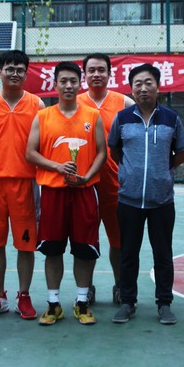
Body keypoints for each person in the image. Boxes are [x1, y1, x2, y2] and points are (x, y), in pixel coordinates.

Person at [26, 61, 107, 326]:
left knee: (84, 249)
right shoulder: (43, 116)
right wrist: (57, 167)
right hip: (52, 192)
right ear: (55, 84)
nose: (69, 85)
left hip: (84, 191)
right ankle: (53, 304)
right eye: (64, 81)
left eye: (73, 81)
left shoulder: (92, 116)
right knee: (52, 250)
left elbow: (102, 153)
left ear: (80, 83)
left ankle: (82, 302)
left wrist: (87, 176)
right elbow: (30, 153)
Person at [108, 64, 184, 325]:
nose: (143, 88)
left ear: (158, 87)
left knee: (163, 254)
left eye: (148, 83)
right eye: (138, 84)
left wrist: (163, 171)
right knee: (128, 253)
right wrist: (128, 172)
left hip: (161, 200)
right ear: (131, 89)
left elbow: (182, 152)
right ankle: (127, 301)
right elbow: (114, 150)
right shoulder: (122, 118)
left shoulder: (171, 118)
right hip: (128, 199)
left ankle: (164, 304)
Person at [0, 50, 45, 320]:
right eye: (10, 68)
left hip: (26, 185)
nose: (15, 73)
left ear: (26, 74)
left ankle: (24, 295)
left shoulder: (37, 105)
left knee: (25, 245)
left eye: (20, 69)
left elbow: (42, 146)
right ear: (0, 73)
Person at [77, 53, 134, 305]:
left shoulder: (124, 103)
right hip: (84, 184)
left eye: (101, 70)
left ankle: (120, 286)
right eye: (92, 70)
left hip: (116, 184)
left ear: (110, 74)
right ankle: (86, 288)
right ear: (84, 75)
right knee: (85, 240)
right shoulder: (75, 102)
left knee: (118, 240)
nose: (96, 74)